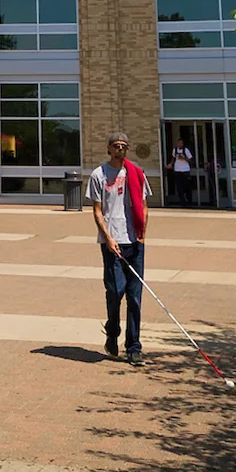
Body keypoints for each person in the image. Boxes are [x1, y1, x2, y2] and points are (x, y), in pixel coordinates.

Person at [87, 132, 150, 365]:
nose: (120, 149)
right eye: (116, 145)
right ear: (109, 149)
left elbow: (143, 207)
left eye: (124, 146)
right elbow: (97, 210)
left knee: (135, 297)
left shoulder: (136, 174)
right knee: (116, 292)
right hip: (111, 243)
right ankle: (112, 331)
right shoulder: (98, 175)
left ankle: (134, 347)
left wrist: (142, 236)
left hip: (134, 242)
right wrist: (108, 238)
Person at [170, 141, 194, 207]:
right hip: (177, 170)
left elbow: (190, 159)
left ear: (183, 144)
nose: (179, 144)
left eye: (181, 143)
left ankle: (189, 202)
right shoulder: (175, 150)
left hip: (185, 170)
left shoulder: (186, 150)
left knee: (187, 187)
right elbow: (173, 158)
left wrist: (184, 158)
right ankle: (182, 202)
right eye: (178, 143)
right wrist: (171, 164)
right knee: (179, 188)